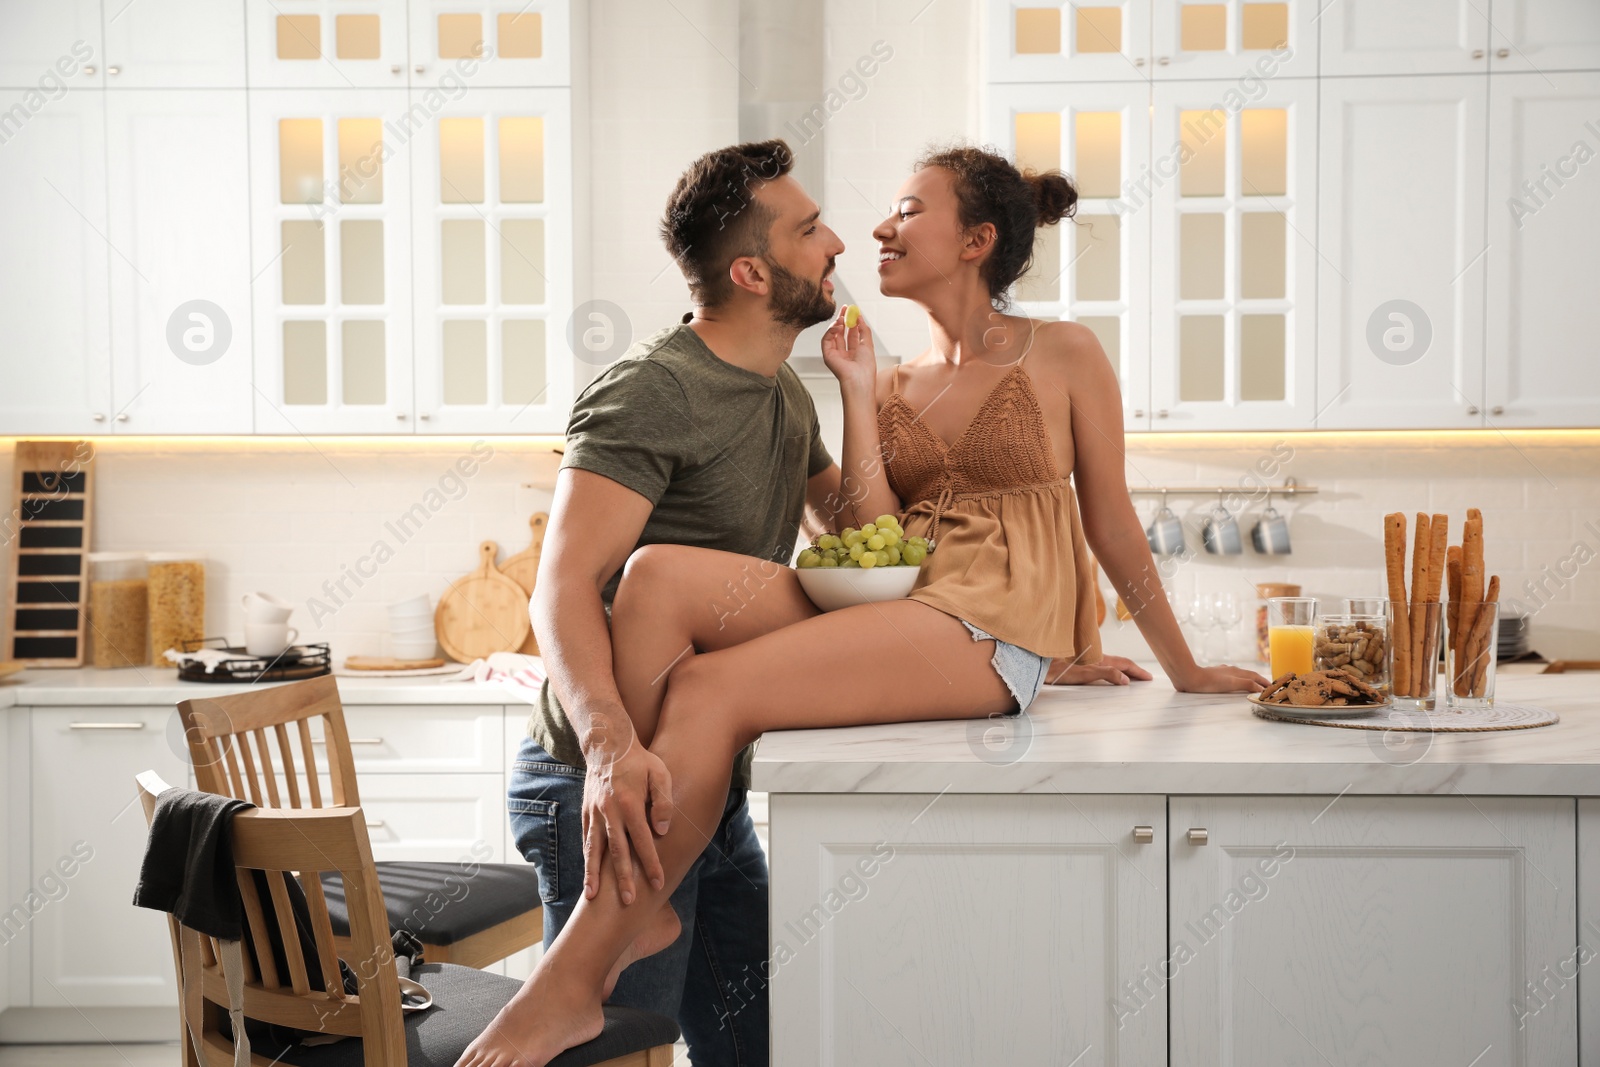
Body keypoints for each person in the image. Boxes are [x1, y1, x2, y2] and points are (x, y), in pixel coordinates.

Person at [461, 144, 1265, 1067]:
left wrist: (1174, 661)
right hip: (906, 618)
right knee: (654, 578)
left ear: (977, 240)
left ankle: (571, 977)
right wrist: (854, 392)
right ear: (755, 270)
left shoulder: (1065, 349)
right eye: (820, 227)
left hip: (984, 624)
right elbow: (875, 541)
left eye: (904, 210)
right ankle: (639, 872)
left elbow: (1111, 525)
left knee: (715, 692)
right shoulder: (858, 382)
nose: (865, 231)